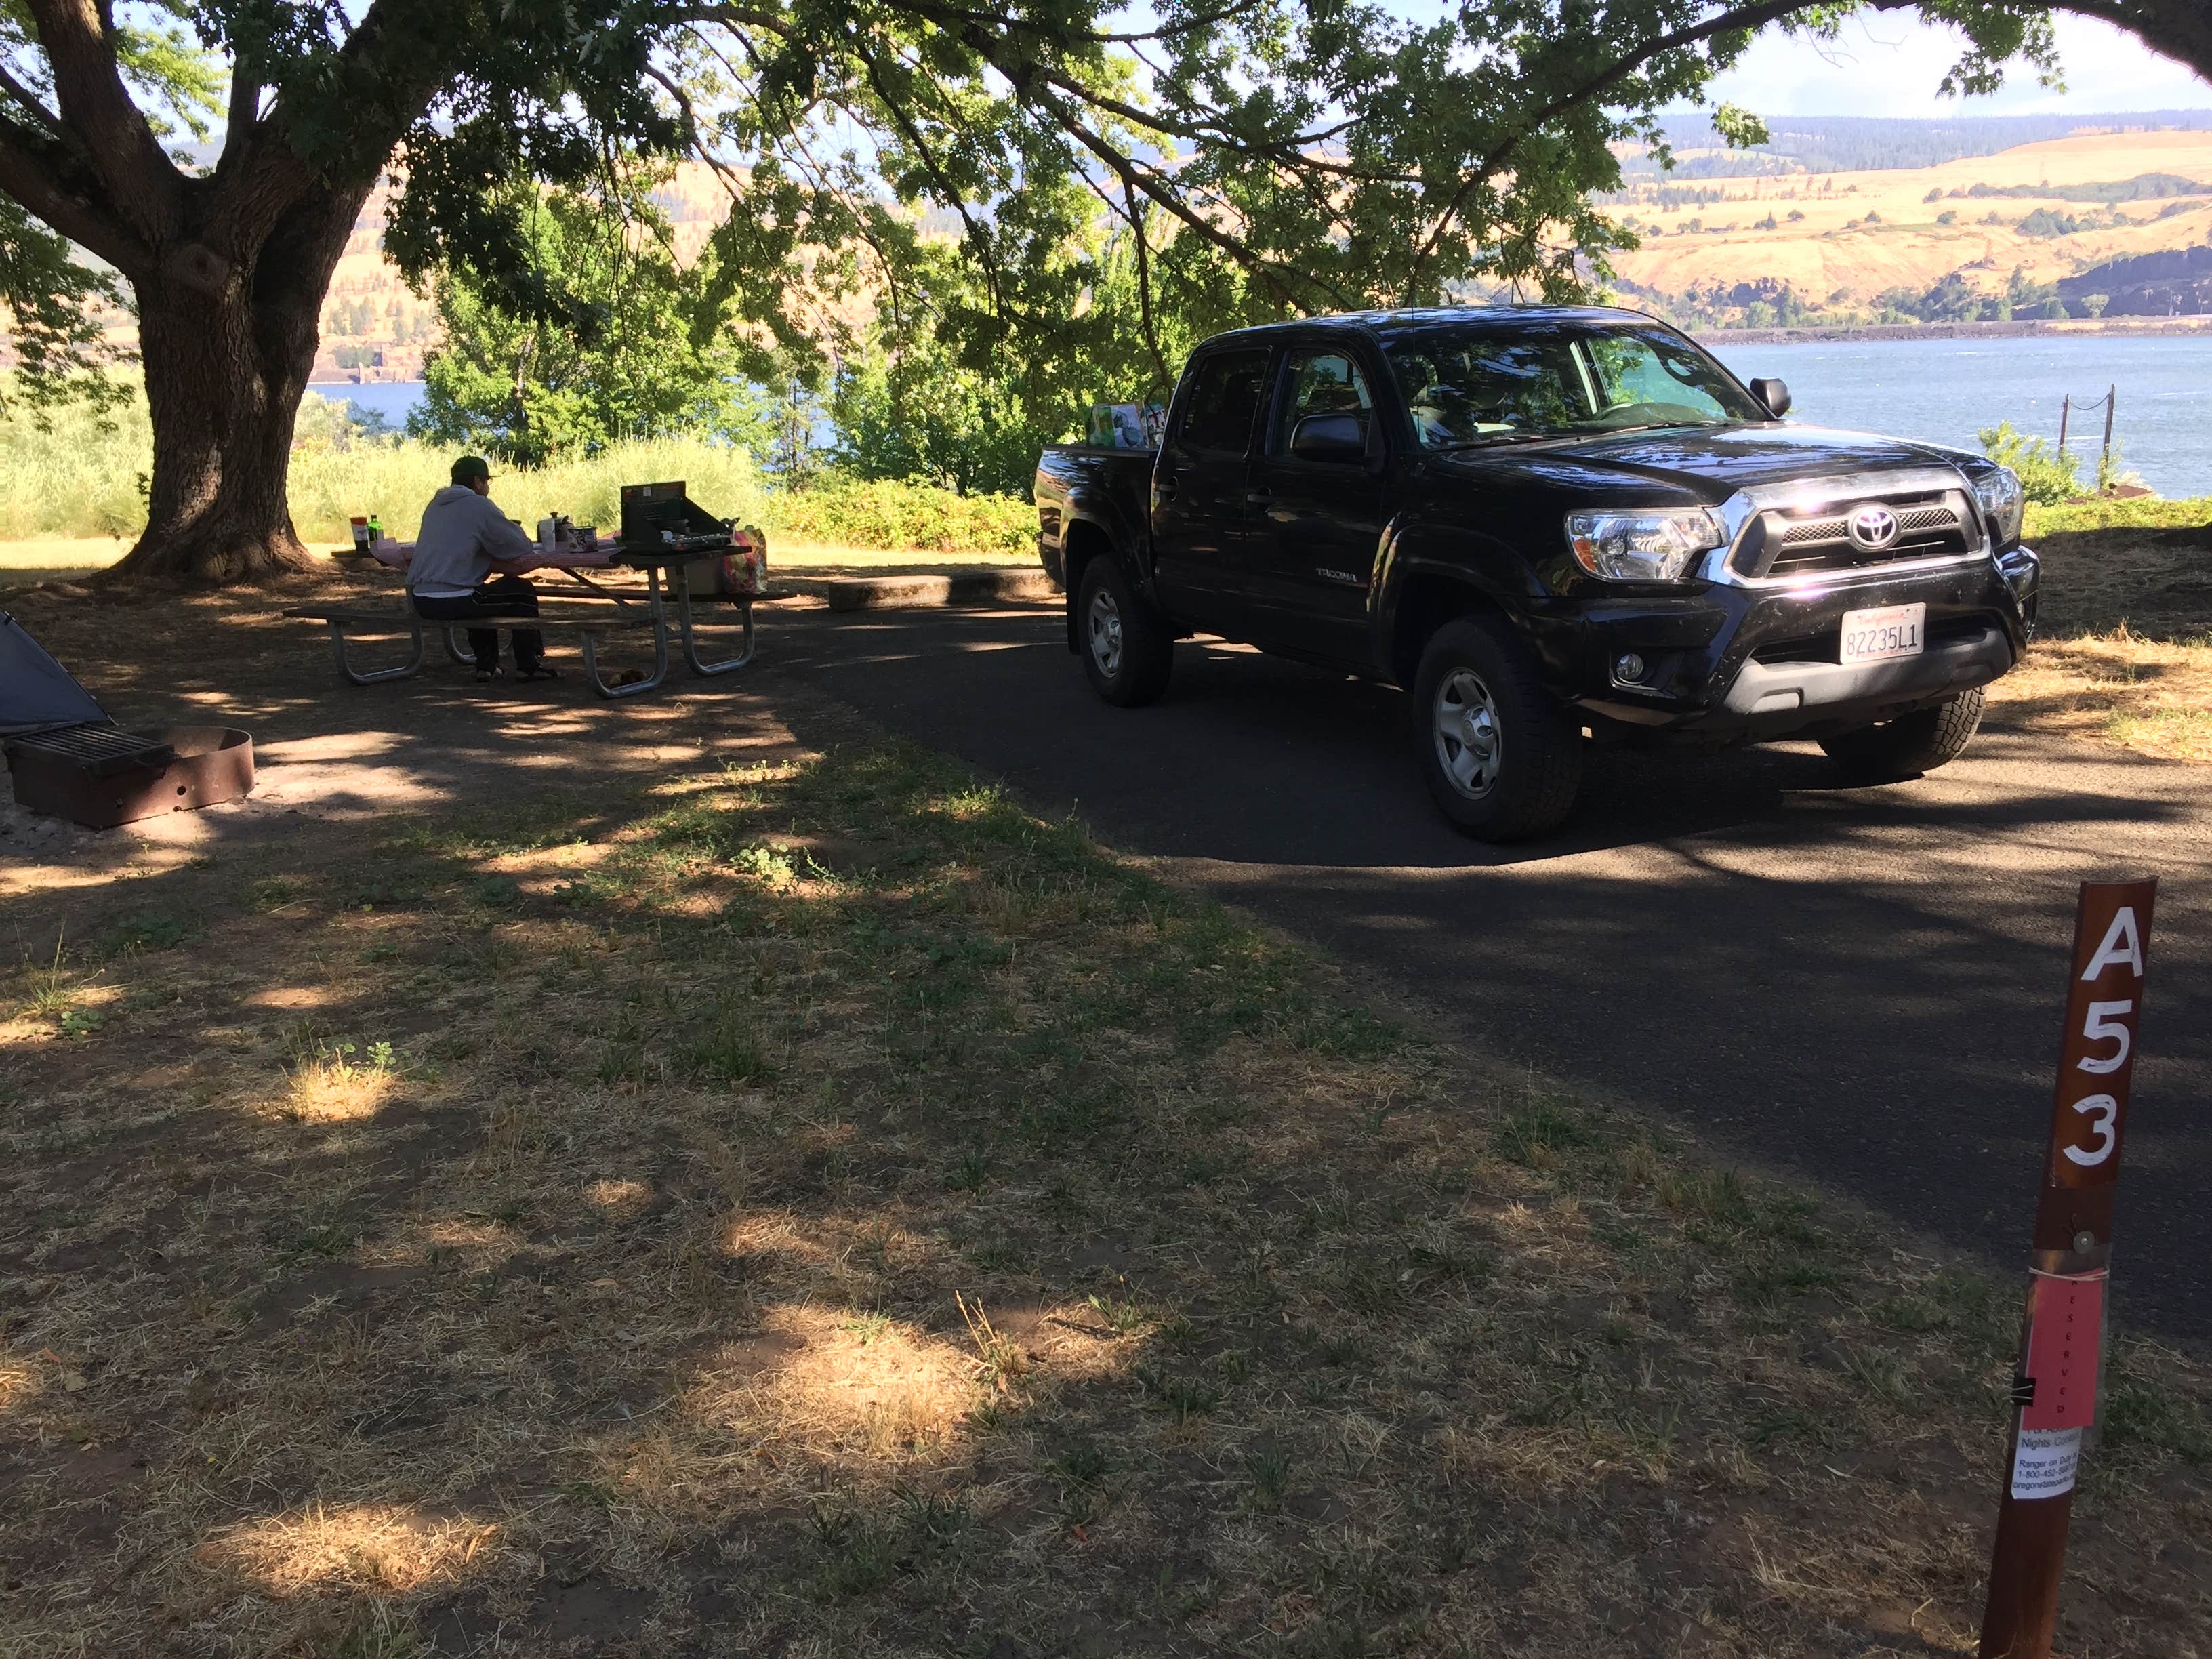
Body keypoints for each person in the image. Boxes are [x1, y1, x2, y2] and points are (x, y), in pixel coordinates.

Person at [407, 456, 556, 682]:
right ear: (477, 482)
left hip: (421, 599)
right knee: (521, 592)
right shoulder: (478, 504)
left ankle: (487, 666)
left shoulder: (435, 504)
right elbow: (518, 546)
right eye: (486, 481)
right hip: (454, 599)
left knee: (480, 593)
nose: (487, 487)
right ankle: (528, 664)